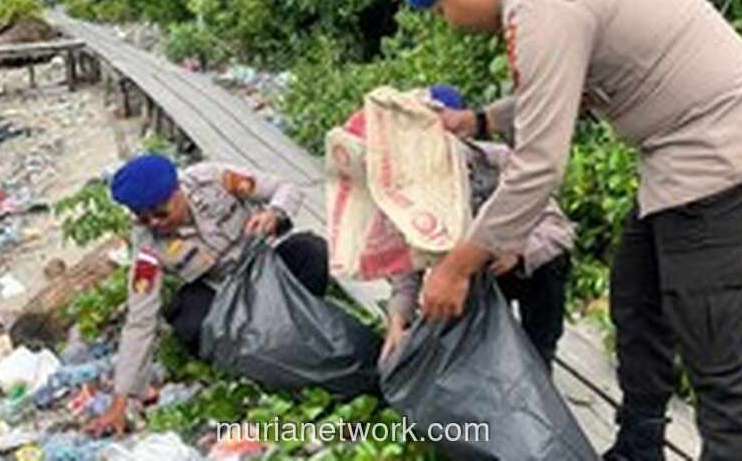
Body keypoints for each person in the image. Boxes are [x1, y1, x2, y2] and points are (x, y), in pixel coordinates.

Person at [402, 0, 742, 461]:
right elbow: (554, 94)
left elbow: (540, 165)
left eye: (442, 7)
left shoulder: (543, 4)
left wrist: (456, 266)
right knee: (637, 304)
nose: (449, 20)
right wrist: (479, 122)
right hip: (681, 163)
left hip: (723, 160)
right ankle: (639, 448)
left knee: (716, 358)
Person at [85, 154, 330, 437]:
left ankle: (305, 327)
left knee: (311, 251)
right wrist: (120, 399)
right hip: (227, 298)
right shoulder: (147, 246)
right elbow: (140, 318)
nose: (154, 222)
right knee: (186, 320)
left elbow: (286, 188)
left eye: (160, 212)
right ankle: (257, 367)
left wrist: (274, 214)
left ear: (177, 190)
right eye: (143, 217)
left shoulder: (214, 179)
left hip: (271, 272)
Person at [355, 85, 575, 365]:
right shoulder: (409, 188)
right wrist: (398, 320)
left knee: (551, 266)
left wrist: (517, 254)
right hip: (464, 279)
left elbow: (559, 230)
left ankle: (539, 359)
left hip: (517, 267)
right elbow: (407, 265)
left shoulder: (497, 162)